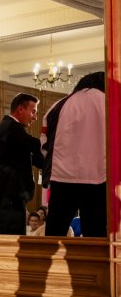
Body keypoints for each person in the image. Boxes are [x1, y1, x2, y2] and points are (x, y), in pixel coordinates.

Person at [40, 72, 106, 237]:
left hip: (62, 178)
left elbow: (44, 144)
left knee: (54, 233)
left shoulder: (59, 104)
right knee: (95, 234)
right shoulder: (108, 102)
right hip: (98, 178)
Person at [0, 93, 43, 235]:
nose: (35, 117)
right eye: (33, 111)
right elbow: (34, 145)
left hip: (6, 195)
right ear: (20, 109)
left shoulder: (12, 131)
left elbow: (33, 157)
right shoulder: (11, 127)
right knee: (11, 241)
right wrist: (55, 143)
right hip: (7, 196)